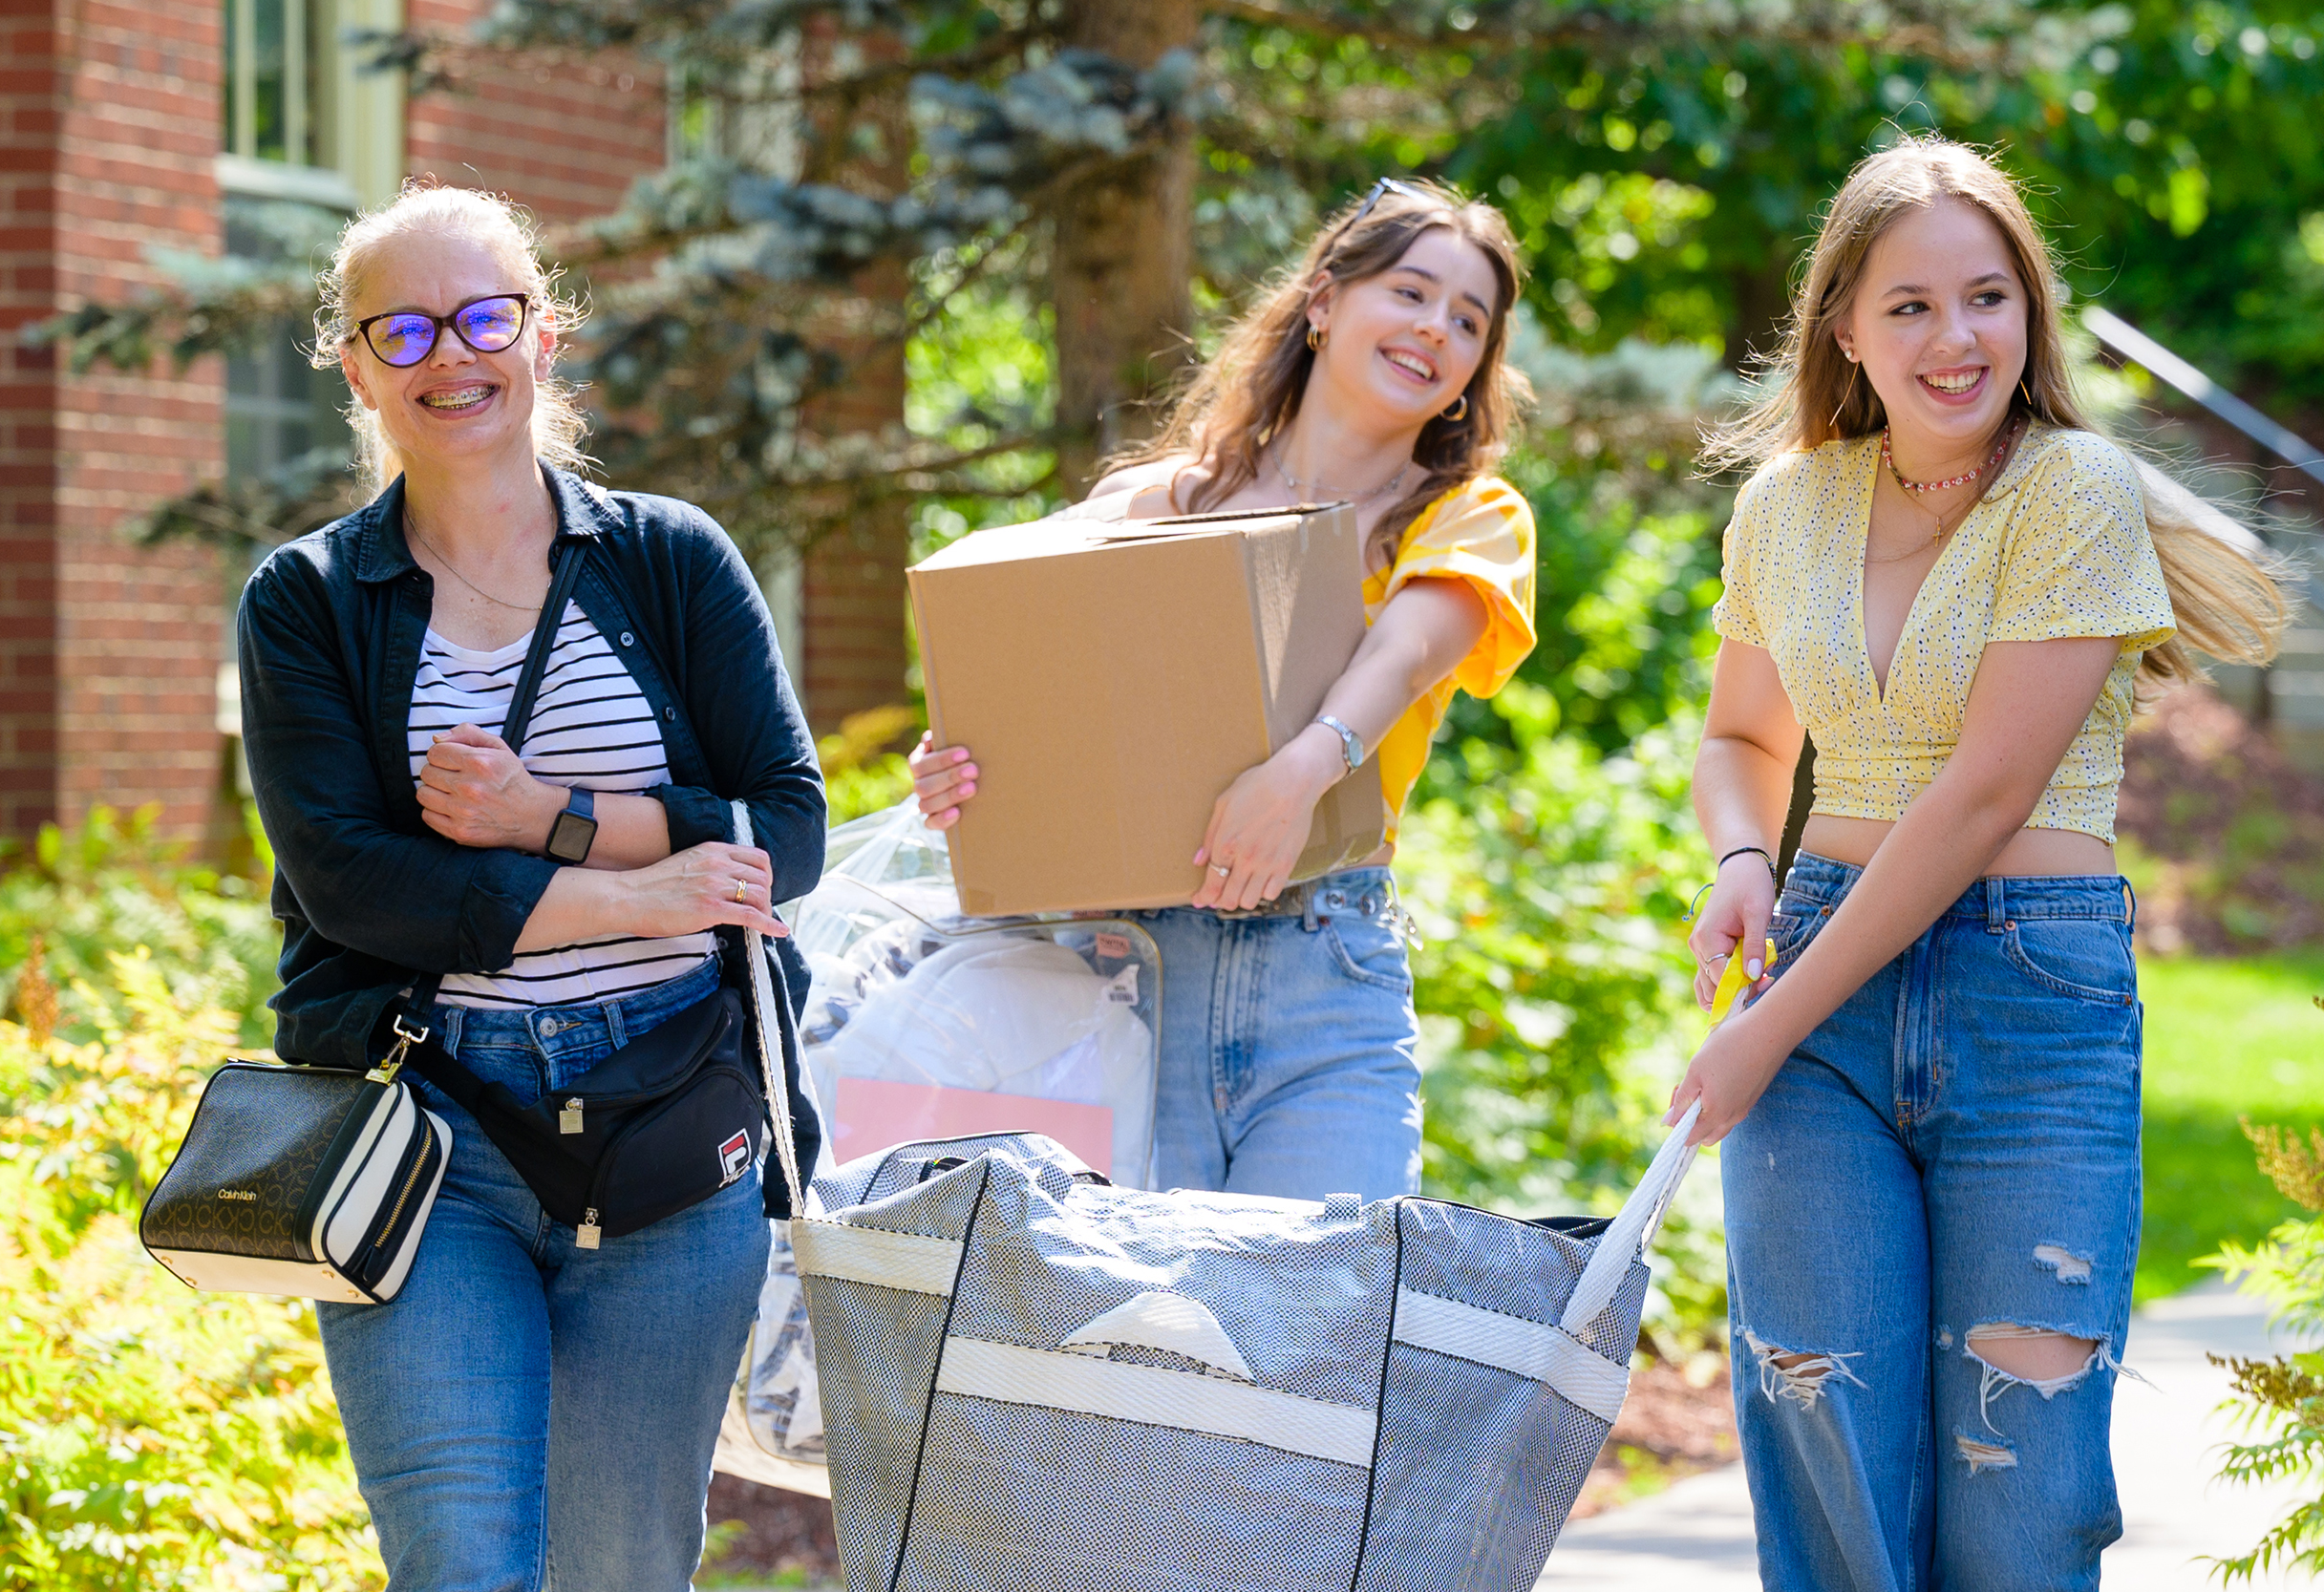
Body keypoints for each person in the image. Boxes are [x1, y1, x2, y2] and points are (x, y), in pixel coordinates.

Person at [1672, 138, 2292, 1592]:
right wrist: (1743, 855)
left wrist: (1766, 1022)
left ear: (2031, 311)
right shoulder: (1786, 505)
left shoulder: (2071, 489)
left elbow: (1983, 794)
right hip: (1819, 958)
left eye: (1989, 298)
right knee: (1829, 1462)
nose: (1956, 339)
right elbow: (1740, 736)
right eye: (1910, 307)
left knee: (2025, 1495)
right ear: (1844, 326)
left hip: (2029, 986)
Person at [231, 184, 822, 1592]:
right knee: (463, 1561)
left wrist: (552, 818)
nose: (454, 354)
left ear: (542, 335)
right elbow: (354, 884)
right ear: (357, 363)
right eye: (408, 327)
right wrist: (644, 892)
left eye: (486, 315)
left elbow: (783, 829)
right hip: (428, 1129)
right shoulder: (308, 598)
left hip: (676, 1124)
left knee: (620, 1566)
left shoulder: (670, 559)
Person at [902, 180, 1540, 1200]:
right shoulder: (1150, 506)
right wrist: (959, 766)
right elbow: (1018, 681)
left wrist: (1298, 772)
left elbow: (1401, 657)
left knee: (1312, 1338)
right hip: (1121, 968)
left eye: (1468, 320)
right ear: (1324, 301)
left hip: (1324, 973)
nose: (1436, 329)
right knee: (1133, 1343)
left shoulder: (1470, 515)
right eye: (1411, 292)